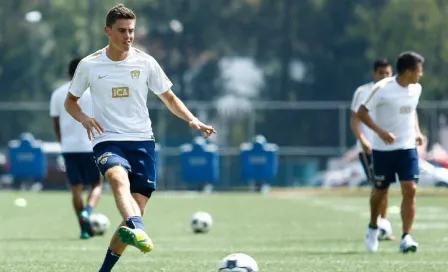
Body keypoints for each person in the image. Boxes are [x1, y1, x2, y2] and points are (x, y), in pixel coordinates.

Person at [64, 4, 216, 271]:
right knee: (116, 177)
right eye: (122, 31)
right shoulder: (89, 65)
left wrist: (192, 119)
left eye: (131, 31)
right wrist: (84, 118)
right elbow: (70, 102)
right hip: (107, 139)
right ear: (107, 31)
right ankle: (139, 227)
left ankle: (111, 259)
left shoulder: (146, 62)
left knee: (135, 210)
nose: (128, 36)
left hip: (142, 141)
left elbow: (168, 97)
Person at [357, 51, 425, 253]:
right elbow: (361, 112)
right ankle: (372, 226)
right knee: (380, 192)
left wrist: (417, 132)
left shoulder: (416, 89)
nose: (421, 75)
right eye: (419, 70)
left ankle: (406, 237)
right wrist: (381, 132)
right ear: (408, 71)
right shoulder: (382, 89)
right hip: (383, 149)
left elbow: (411, 111)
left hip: (407, 147)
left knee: (410, 188)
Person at [50, 57, 102, 240]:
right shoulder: (93, 93)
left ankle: (83, 230)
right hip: (91, 147)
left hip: (69, 149)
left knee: (76, 189)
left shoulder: (57, 94)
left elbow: (56, 123)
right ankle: (87, 211)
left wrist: (62, 142)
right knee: (96, 184)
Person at [349, 59, 395, 241]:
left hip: (389, 147)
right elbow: (354, 119)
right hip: (369, 148)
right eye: (381, 73)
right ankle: (377, 225)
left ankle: (381, 223)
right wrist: (362, 139)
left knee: (385, 187)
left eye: (388, 73)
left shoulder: (395, 91)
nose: (385, 77)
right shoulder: (363, 92)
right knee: (378, 186)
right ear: (374, 74)